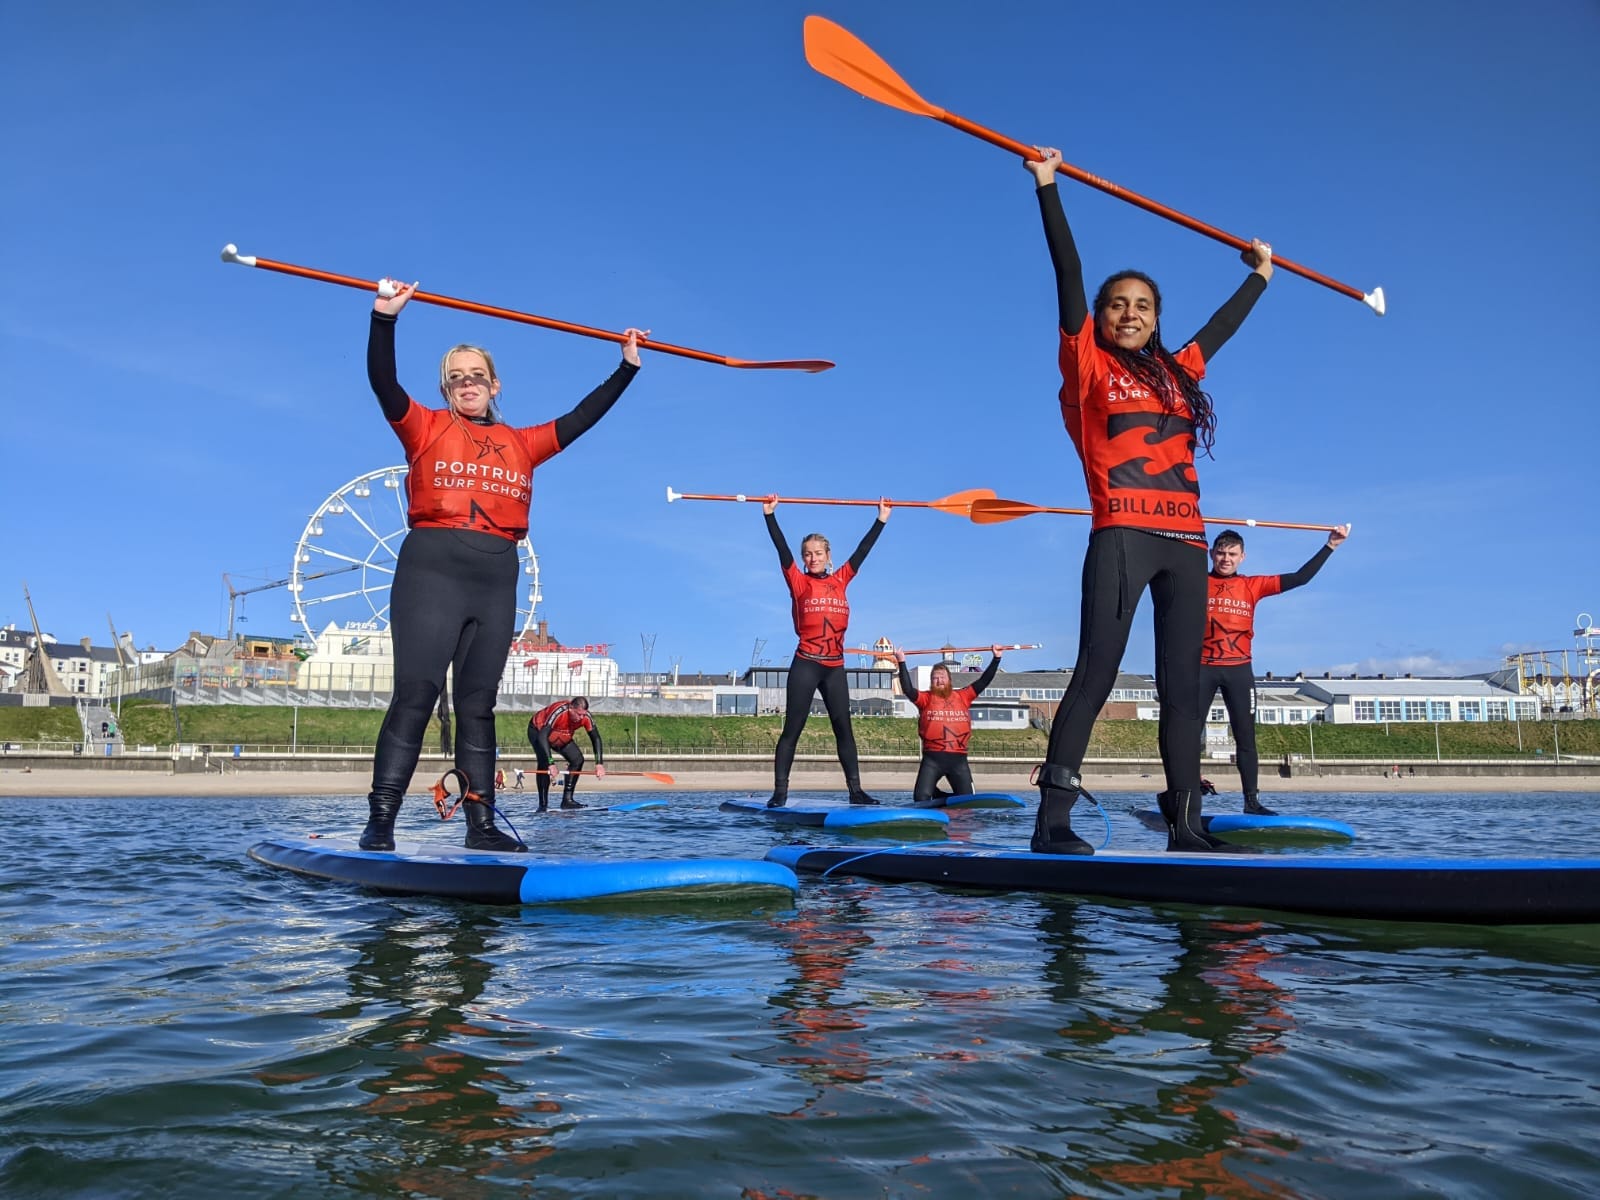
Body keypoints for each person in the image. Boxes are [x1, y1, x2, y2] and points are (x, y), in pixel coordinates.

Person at [1025, 147, 1275, 855]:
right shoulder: (1087, 363)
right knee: (1097, 673)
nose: (1128, 313)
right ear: (1100, 317)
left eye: (1142, 306)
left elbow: (1221, 328)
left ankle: (1187, 826)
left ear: (1157, 318)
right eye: (1117, 305)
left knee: (1183, 690)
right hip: (1122, 538)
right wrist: (1048, 186)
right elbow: (1067, 273)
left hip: (1188, 545)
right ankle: (1052, 823)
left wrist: (1260, 277)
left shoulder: (1178, 371)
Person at [357, 280, 643, 852]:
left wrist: (626, 366)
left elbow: (582, 418)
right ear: (446, 387)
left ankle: (480, 825)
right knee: (415, 692)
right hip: (432, 567)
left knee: (478, 705)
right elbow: (384, 383)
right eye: (457, 378)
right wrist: (384, 319)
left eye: (477, 376)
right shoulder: (425, 427)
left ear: (494, 385)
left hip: (497, 573)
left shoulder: (524, 442)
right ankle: (381, 823)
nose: (468, 384)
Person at [1202, 524, 1349, 815]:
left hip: (1239, 669)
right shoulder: (1195, 581)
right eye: (1220, 553)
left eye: (1232, 554)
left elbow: (1300, 578)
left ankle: (1251, 802)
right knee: (1186, 730)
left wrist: (1330, 546)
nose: (1226, 559)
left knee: (1246, 736)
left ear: (1242, 556)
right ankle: (1187, 790)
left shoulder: (1253, 585)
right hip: (1201, 667)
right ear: (1211, 554)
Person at [763, 497, 890, 807]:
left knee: (843, 727)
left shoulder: (841, 579)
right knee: (793, 727)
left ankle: (856, 791)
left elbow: (862, 551)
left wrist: (881, 519)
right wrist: (769, 516)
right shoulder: (798, 581)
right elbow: (782, 550)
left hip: (834, 666)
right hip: (806, 662)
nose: (812, 558)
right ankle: (780, 794)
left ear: (828, 556)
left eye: (818, 553)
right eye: (808, 554)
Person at [895, 646, 1004, 807]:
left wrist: (996, 658)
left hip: (958, 761)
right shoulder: (925, 698)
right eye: (935, 678)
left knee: (968, 803)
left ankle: (944, 799)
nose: (939, 681)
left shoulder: (964, 696)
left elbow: (984, 681)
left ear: (949, 680)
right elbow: (908, 689)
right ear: (931, 681)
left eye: (942, 677)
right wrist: (901, 662)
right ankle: (938, 801)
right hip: (932, 760)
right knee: (920, 799)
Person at [527, 696, 606, 810]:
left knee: (577, 759)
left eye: (584, 714)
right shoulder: (559, 711)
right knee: (544, 762)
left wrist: (599, 764)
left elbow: (596, 738)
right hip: (538, 731)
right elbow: (543, 736)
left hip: (561, 735)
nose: (581, 718)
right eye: (579, 714)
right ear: (571, 708)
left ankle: (567, 800)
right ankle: (543, 805)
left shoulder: (586, 717)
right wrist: (551, 763)